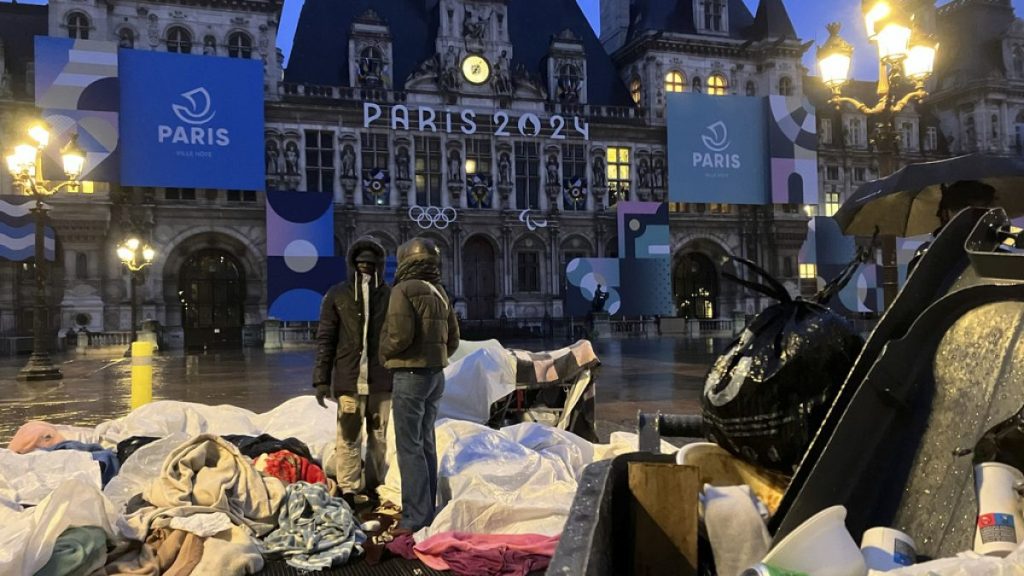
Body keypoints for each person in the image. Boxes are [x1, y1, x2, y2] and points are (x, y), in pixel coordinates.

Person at [379, 237, 460, 534]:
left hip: (410, 376)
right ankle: (428, 509)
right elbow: (453, 340)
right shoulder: (440, 292)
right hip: (435, 376)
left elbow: (399, 335)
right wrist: (435, 356)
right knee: (426, 442)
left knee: (409, 446)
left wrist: (383, 353)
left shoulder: (402, 290)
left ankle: (414, 517)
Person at [312, 237, 393, 509]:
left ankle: (374, 484)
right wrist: (321, 379)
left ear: (379, 266)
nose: (365, 269)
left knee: (379, 437)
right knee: (348, 436)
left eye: (370, 264)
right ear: (352, 265)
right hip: (349, 381)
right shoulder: (338, 295)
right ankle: (349, 488)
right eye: (360, 264)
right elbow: (326, 338)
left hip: (381, 382)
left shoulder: (391, 296)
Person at [907, 180, 996, 275]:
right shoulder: (927, 257)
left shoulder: (996, 249)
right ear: (946, 214)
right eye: (971, 213)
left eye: (987, 211)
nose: (978, 220)